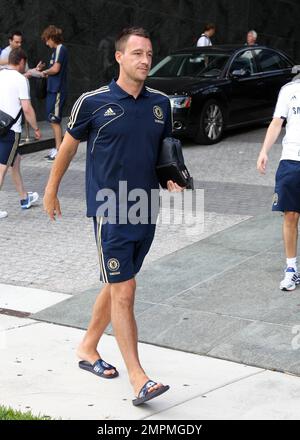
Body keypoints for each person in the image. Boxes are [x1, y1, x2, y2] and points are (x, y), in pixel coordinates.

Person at [44, 27, 184, 405]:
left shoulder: (160, 104)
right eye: (137, 53)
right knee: (125, 289)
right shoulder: (92, 102)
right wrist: (51, 190)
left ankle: (88, 348)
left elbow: (161, 152)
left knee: (116, 280)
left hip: (146, 206)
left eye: (149, 54)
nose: (144, 60)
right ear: (119, 57)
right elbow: (68, 148)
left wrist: (169, 177)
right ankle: (139, 379)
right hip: (110, 207)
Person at [257, 78, 300, 291]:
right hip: (291, 160)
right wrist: (264, 151)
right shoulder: (289, 90)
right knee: (290, 215)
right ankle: (291, 269)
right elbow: (277, 122)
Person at [0, 48, 41, 219]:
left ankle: (24, 198)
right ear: (22, 61)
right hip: (10, 131)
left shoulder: (1, 74)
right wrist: (36, 128)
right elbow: (27, 108)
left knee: (15, 161)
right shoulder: (20, 80)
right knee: (1, 169)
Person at [41, 25, 68, 161]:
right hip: (53, 89)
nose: (47, 43)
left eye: (47, 40)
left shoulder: (60, 49)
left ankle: (59, 150)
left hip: (57, 90)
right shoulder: (56, 51)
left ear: (52, 38)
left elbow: (56, 69)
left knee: (54, 120)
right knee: (53, 120)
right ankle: (57, 148)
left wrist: (43, 72)